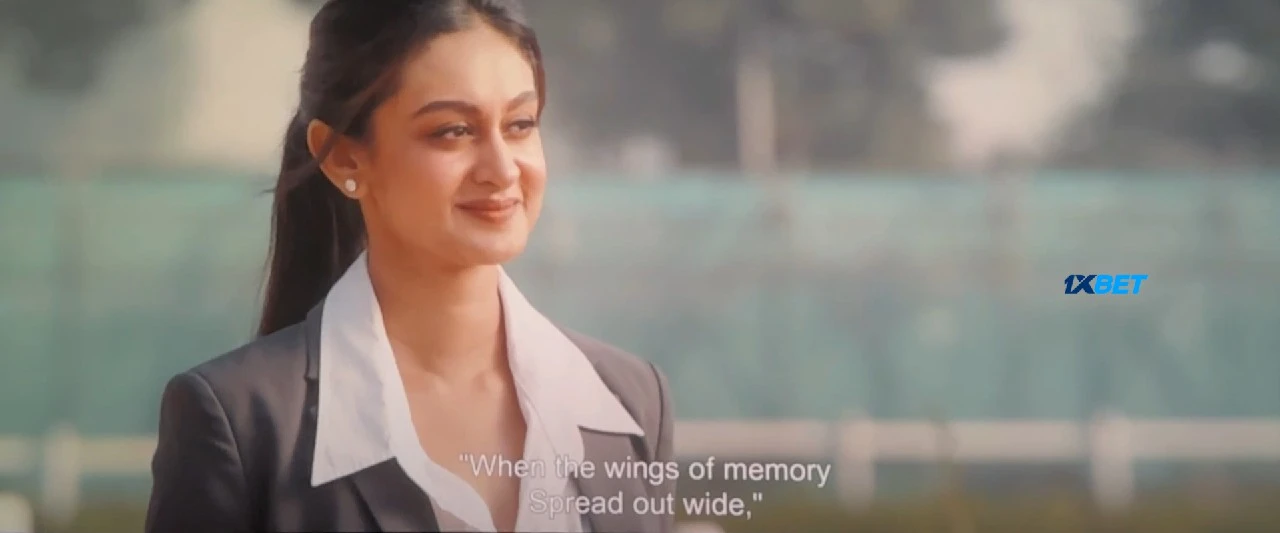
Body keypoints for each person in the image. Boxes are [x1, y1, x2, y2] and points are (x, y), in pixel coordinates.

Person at [143, 1, 675, 532]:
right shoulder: (237, 421)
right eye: (452, 131)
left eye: (519, 124)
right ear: (343, 157)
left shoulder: (630, 400)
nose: (501, 169)